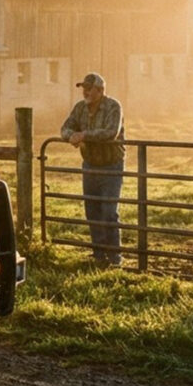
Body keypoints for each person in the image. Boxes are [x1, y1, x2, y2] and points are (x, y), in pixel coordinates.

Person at [60, 73, 125, 265]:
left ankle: (114, 256)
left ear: (100, 90)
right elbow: (65, 128)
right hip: (90, 165)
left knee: (108, 212)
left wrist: (83, 135)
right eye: (83, 88)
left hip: (111, 165)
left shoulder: (114, 106)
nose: (85, 92)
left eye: (89, 88)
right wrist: (71, 135)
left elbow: (111, 132)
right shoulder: (80, 108)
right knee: (92, 211)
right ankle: (98, 254)